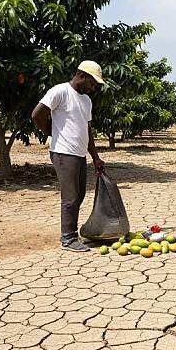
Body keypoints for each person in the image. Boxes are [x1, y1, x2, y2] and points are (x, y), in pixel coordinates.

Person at [31, 60, 106, 252]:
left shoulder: (86, 101)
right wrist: (51, 132)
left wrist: (95, 156)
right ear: (81, 75)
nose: (93, 87)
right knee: (71, 197)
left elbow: (87, 129)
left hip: (79, 154)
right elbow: (37, 114)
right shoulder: (60, 91)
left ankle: (72, 234)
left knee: (79, 195)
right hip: (64, 153)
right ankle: (68, 238)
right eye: (92, 82)